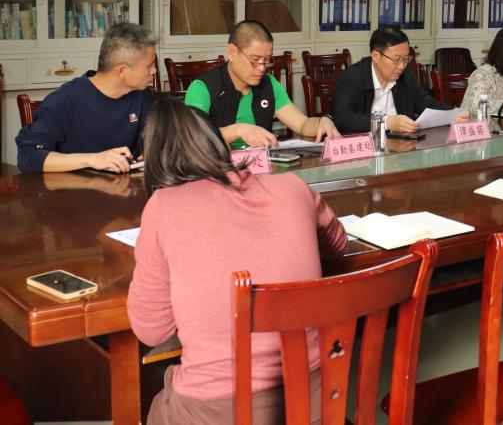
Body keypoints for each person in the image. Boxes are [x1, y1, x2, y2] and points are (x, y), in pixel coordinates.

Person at [128, 96, 347, 424]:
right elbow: (337, 246)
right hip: (317, 403)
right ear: (219, 144)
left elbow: (152, 331)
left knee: (160, 403)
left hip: (216, 410)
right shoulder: (292, 187)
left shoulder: (162, 207)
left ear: (152, 162)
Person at [16, 22, 157, 174]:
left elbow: (150, 143)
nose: (154, 71)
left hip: (123, 186)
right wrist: (92, 160)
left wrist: (151, 153)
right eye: (149, 65)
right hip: (71, 188)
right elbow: (28, 157)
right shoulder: (65, 100)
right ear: (121, 71)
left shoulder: (140, 96)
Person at [185, 21, 340, 148]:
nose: (261, 67)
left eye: (266, 60)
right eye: (255, 60)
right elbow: (193, 136)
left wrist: (322, 121)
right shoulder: (203, 88)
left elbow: (302, 124)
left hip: (261, 166)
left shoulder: (269, 84)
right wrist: (238, 131)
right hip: (218, 168)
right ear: (232, 52)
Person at [332, 26, 465, 133]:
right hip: (367, 147)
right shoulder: (351, 78)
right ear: (376, 56)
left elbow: (424, 102)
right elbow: (343, 117)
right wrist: (387, 122)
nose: (402, 66)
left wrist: (453, 113)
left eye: (406, 59)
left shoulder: (406, 75)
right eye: (396, 59)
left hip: (402, 145)